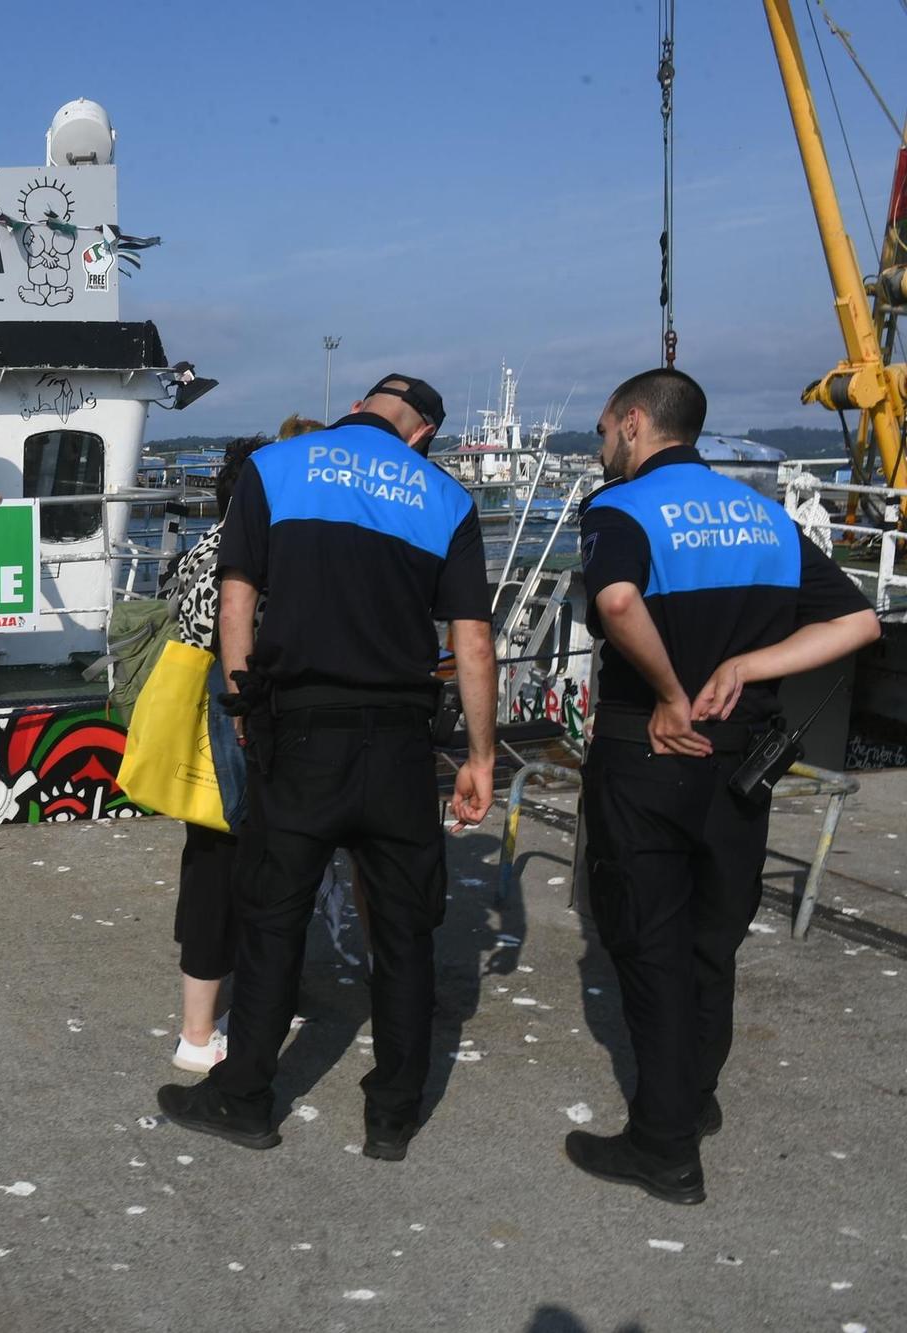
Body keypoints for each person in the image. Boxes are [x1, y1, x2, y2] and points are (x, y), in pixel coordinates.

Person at [157, 374, 500, 1162]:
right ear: (422, 435)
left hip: (301, 729)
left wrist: (245, 709)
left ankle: (246, 1098)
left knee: (274, 916)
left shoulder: (279, 468)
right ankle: (393, 1115)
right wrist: (479, 756)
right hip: (399, 742)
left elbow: (236, 598)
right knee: (407, 930)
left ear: (359, 408)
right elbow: (472, 642)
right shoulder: (444, 498)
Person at [567, 368, 878, 1205]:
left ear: (634, 424)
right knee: (714, 938)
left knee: (648, 941)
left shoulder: (620, 509)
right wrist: (748, 663)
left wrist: (670, 691)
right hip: (745, 764)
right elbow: (859, 621)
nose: (602, 449)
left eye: (602, 432)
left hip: (651, 753)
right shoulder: (764, 514)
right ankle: (694, 1098)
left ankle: (663, 1145)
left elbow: (620, 596)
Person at [161, 436, 267, 1072]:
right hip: (237, 724)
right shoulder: (252, 555)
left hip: (197, 730)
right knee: (238, 864)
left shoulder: (202, 548)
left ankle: (199, 1028)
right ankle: (200, 1036)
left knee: (207, 864)